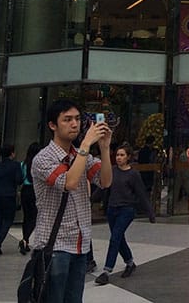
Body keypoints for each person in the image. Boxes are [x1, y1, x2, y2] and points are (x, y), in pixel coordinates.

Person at [31, 99, 112, 303]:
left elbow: (105, 181)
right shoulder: (43, 158)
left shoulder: (80, 156)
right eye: (67, 120)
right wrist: (86, 144)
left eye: (77, 119)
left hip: (80, 244)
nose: (74, 124)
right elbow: (70, 182)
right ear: (52, 125)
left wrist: (104, 149)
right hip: (54, 245)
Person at [95, 143, 155, 285]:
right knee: (119, 238)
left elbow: (141, 194)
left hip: (126, 210)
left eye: (122, 155)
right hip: (112, 209)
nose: (119, 158)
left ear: (128, 157)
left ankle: (106, 271)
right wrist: (91, 199)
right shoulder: (112, 170)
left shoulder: (133, 174)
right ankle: (130, 262)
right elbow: (104, 186)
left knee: (115, 238)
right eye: (117, 155)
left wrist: (150, 212)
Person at [0, 144, 24, 255]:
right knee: (8, 220)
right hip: (9, 195)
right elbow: (19, 180)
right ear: (12, 153)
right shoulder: (15, 165)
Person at [19, 141, 40, 254]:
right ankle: (25, 239)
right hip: (34, 190)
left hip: (25, 190)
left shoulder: (23, 164)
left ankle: (25, 240)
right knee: (34, 217)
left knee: (26, 217)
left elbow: (20, 178)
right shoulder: (38, 164)